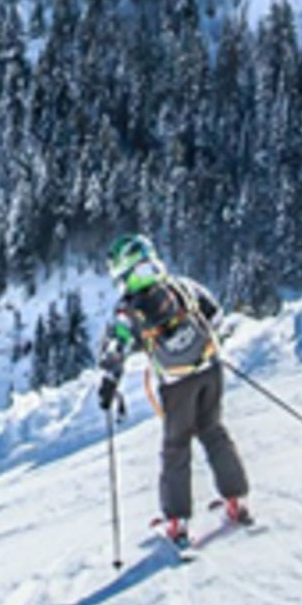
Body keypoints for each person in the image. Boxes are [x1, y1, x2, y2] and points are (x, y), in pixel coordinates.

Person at [94, 233, 251, 550]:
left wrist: (110, 383)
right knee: (214, 431)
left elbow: (116, 348)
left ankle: (177, 523)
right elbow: (215, 315)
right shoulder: (181, 285)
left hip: (177, 383)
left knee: (176, 447)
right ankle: (235, 502)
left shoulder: (128, 309)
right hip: (210, 369)